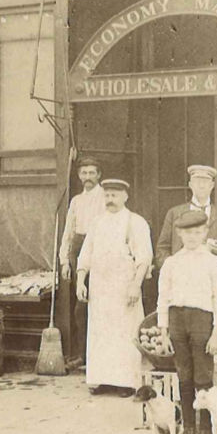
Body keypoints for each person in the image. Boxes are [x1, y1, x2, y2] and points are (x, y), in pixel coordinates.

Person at [157, 210, 217, 434]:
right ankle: (188, 429)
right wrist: (164, 330)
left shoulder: (213, 262)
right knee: (184, 377)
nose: (192, 237)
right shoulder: (172, 263)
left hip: (202, 321)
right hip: (177, 320)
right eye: (187, 232)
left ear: (205, 233)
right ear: (179, 233)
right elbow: (163, 298)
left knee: (203, 378)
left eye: (198, 232)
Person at [75, 179, 153, 398]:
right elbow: (85, 254)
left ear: (125, 197)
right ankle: (101, 379)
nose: (110, 200)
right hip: (100, 288)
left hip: (123, 287)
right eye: (107, 195)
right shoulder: (96, 223)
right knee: (101, 333)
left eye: (114, 195)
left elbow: (144, 257)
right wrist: (81, 281)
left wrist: (135, 285)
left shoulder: (135, 222)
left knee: (124, 333)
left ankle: (126, 382)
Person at [59, 157, 104, 369]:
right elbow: (68, 233)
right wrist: (65, 262)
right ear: (79, 176)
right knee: (80, 307)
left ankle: (99, 357)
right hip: (79, 252)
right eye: (84, 173)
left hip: (100, 252)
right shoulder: (76, 201)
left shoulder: (106, 198)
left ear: (99, 175)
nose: (87, 177)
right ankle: (83, 356)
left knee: (101, 305)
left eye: (91, 173)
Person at [154, 165, 217, 271]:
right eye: (197, 181)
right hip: (181, 277)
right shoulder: (174, 213)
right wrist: (173, 268)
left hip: (210, 276)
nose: (201, 186)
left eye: (205, 182)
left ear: (212, 185)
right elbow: (161, 249)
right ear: (190, 185)